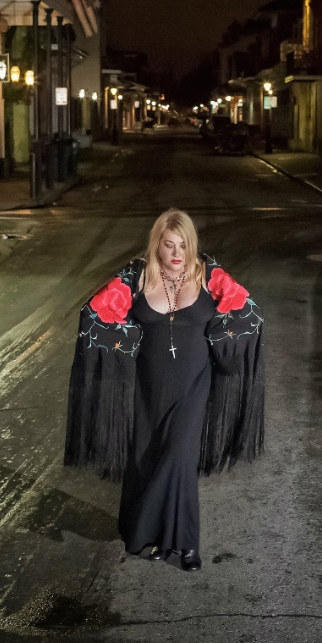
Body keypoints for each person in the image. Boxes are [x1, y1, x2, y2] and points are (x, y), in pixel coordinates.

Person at [64, 209, 266, 571]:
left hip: (194, 384)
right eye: (169, 245)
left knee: (178, 457)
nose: (177, 254)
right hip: (146, 385)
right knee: (145, 458)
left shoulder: (209, 275)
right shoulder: (137, 277)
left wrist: (225, 345)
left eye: (183, 245)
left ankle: (185, 544)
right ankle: (140, 535)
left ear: (193, 246)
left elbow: (248, 312)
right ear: (156, 245)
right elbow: (94, 313)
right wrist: (123, 349)